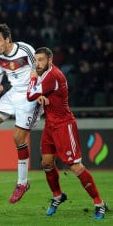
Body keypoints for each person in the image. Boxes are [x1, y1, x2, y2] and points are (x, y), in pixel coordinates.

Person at [27, 47, 108, 219]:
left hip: (64, 125)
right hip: (50, 125)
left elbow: (29, 95)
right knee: (47, 163)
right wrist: (41, 96)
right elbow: (41, 95)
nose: (37, 63)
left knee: (75, 166)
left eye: (41, 60)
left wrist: (33, 80)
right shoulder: (46, 75)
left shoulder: (52, 75)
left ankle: (99, 203)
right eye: (36, 60)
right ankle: (58, 196)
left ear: (50, 60)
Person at [0, 24, 43, 203]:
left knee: (18, 138)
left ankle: (22, 182)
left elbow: (39, 69)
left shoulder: (25, 49)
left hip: (30, 96)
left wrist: (37, 91)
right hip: (12, 94)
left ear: (8, 39)